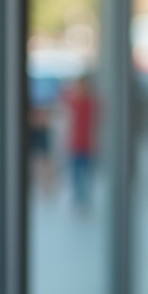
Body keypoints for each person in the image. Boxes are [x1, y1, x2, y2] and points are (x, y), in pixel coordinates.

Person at [60, 76, 97, 210]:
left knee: (85, 173)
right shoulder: (75, 102)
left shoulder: (89, 103)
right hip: (74, 144)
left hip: (87, 144)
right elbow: (62, 98)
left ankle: (85, 198)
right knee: (75, 174)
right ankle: (78, 199)